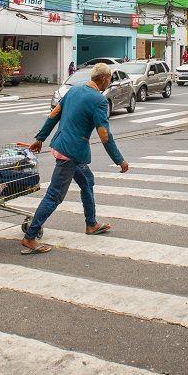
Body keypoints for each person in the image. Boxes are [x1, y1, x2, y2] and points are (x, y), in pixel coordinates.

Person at [24, 63, 129, 254]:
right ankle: (30, 236)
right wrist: (119, 160)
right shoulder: (99, 100)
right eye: (110, 79)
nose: (109, 82)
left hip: (66, 148)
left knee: (87, 182)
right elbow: (104, 135)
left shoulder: (73, 91)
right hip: (71, 154)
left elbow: (53, 115)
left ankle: (91, 224)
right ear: (104, 78)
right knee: (55, 195)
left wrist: (40, 139)